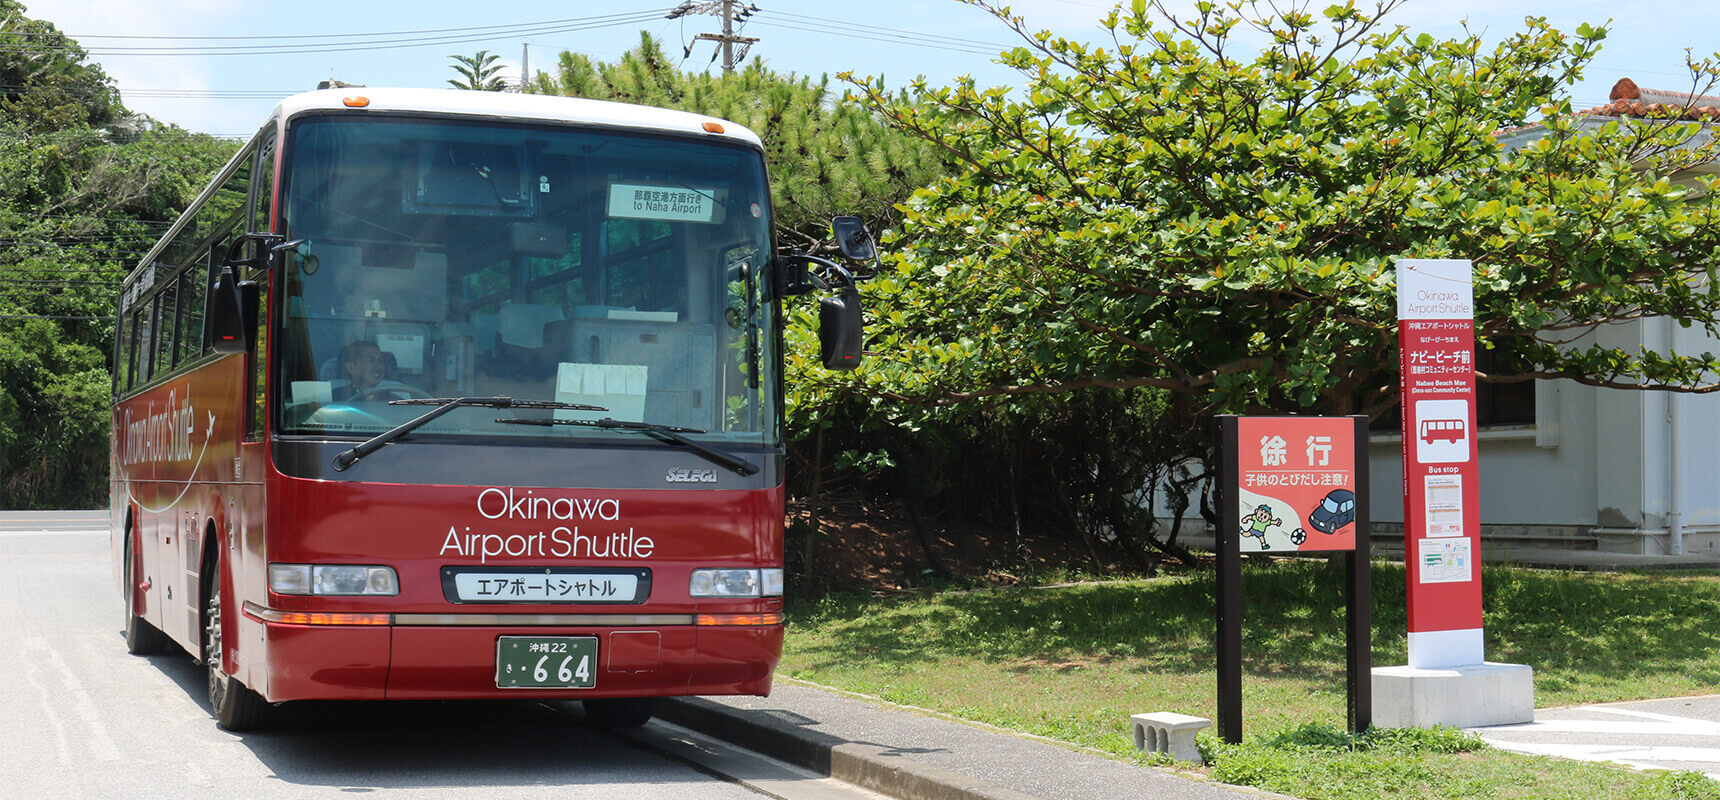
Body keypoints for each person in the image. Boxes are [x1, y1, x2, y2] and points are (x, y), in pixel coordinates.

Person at [332, 340, 421, 401]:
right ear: (351, 368)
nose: (380, 367)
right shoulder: (333, 397)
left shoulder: (398, 397)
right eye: (371, 360)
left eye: (381, 361)